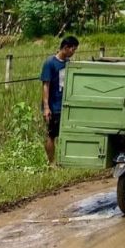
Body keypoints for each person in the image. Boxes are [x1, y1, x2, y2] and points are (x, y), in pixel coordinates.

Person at [40, 36, 79, 164]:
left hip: (66, 104)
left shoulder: (69, 64)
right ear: (66, 48)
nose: (73, 52)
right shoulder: (50, 63)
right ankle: (51, 162)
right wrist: (46, 107)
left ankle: (64, 160)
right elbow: (46, 85)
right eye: (72, 49)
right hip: (54, 105)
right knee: (51, 134)